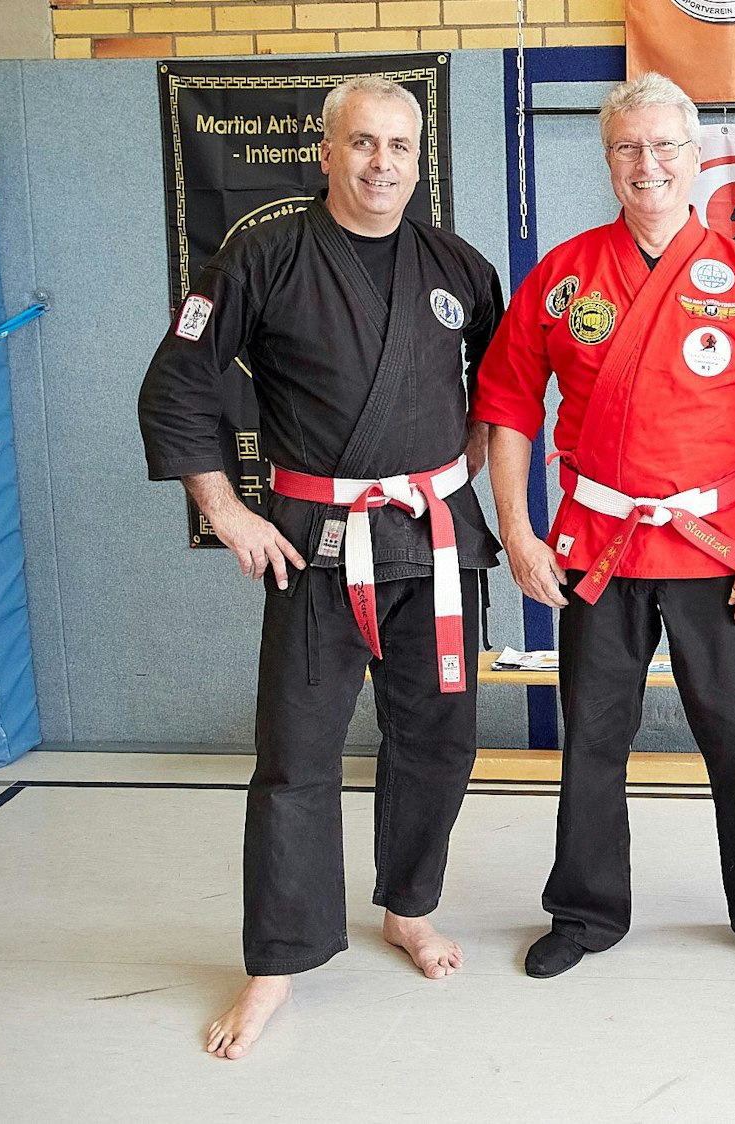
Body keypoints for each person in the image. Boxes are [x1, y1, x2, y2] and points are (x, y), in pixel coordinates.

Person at [138, 76, 504, 1059]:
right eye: (363, 143)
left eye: (400, 146)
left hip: (432, 541)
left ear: (418, 159)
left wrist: (461, 468)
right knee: (297, 754)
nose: (382, 162)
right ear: (327, 148)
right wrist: (224, 510)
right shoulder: (262, 255)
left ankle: (410, 905)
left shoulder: (458, 266)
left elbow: (501, 385)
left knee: (440, 736)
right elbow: (178, 383)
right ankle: (278, 960)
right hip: (318, 543)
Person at [473, 73, 735, 981]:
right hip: (595, 547)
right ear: (607, 161)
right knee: (593, 733)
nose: (648, 164)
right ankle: (586, 911)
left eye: (665, 146)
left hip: (718, 550)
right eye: (628, 148)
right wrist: (517, 532)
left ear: (694, 154)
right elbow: (510, 408)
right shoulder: (563, 275)